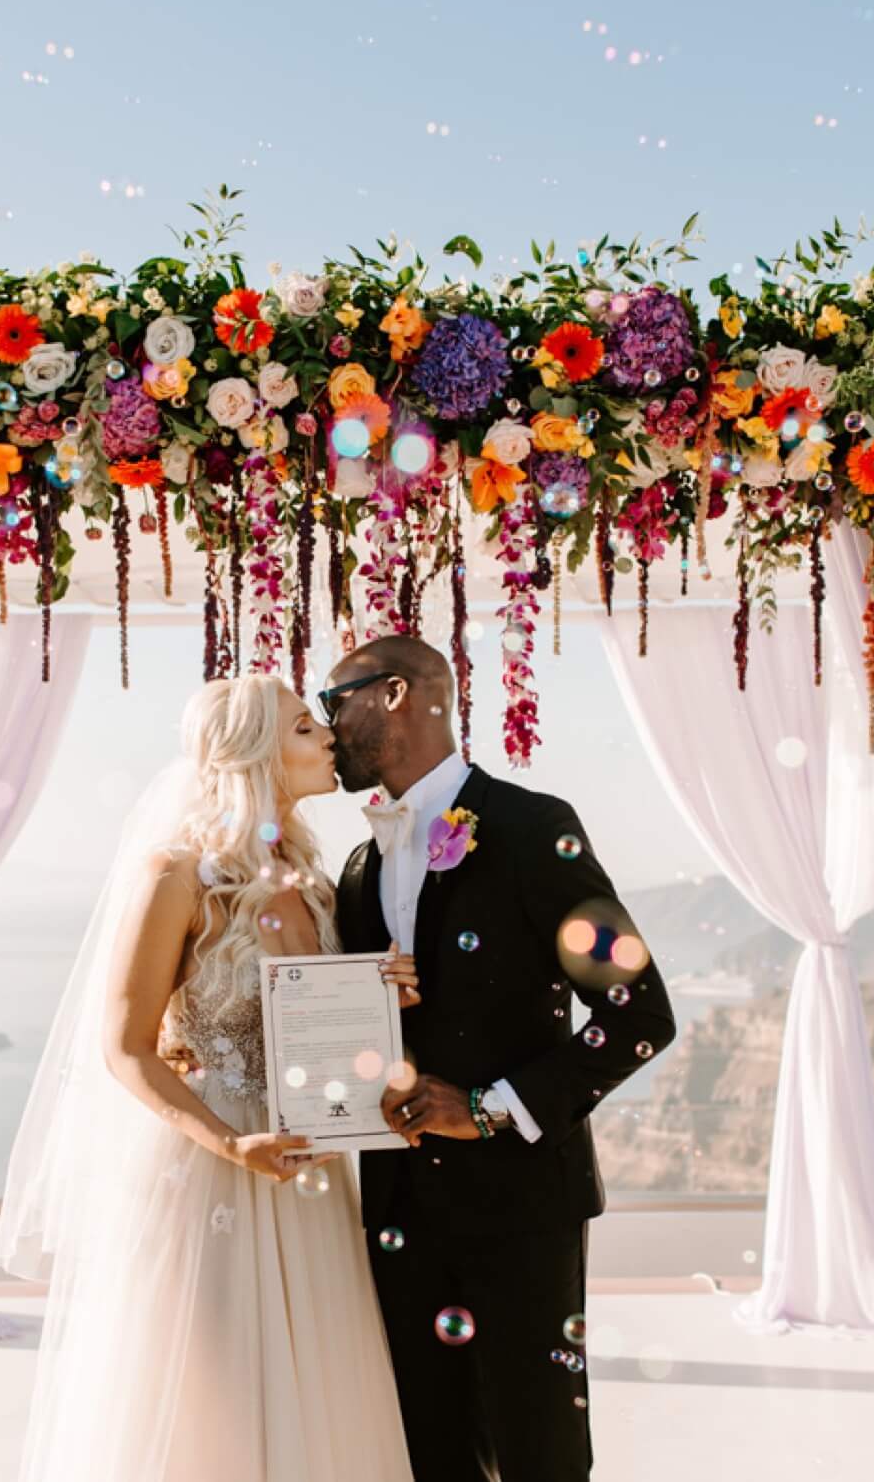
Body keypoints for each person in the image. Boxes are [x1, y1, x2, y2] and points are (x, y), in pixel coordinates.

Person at [0, 674, 418, 1482]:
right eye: (304, 727)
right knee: (210, 1414)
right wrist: (232, 1143)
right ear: (256, 752)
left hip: (308, 1179)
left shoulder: (319, 883)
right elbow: (123, 1043)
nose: (328, 736)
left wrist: (383, 993)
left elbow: (324, 1031)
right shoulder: (176, 876)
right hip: (208, 1178)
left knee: (314, 1400)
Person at [324, 633, 678, 1482]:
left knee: (540, 1453)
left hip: (522, 1208)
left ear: (398, 693)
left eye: (337, 702)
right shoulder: (358, 866)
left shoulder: (531, 828)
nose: (326, 724)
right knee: (432, 1452)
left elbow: (640, 1011)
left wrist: (484, 1107)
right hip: (399, 1212)